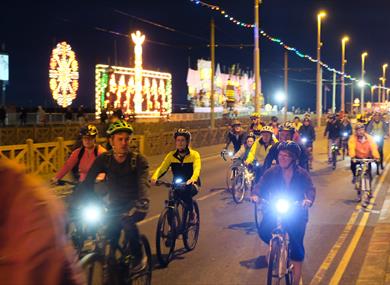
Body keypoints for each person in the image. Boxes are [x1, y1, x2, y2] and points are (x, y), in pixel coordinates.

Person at [80, 119, 150, 272]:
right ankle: (111, 266)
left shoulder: (138, 160)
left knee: (127, 224)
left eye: (127, 139)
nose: (124, 143)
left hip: (135, 204)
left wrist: (143, 201)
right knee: (109, 234)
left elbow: (143, 183)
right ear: (111, 141)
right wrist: (82, 198)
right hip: (113, 204)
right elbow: (88, 181)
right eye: (120, 139)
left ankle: (139, 257)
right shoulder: (104, 159)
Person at [0, 159, 85, 285]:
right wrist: (57, 177)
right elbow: (68, 164)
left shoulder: (33, 206)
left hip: (43, 268)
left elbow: (26, 270)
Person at [251, 141, 316, 285]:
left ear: (293, 158)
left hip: (296, 210)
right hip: (276, 207)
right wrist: (256, 195)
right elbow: (260, 184)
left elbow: (310, 188)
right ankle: (274, 247)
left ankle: (297, 279)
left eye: (286, 156)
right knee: (264, 230)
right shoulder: (272, 172)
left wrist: (308, 200)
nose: (282, 158)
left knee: (296, 246)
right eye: (280, 155)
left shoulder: (301, 173)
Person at [151, 128, 201, 217]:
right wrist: (155, 177)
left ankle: (191, 212)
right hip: (176, 184)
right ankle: (171, 227)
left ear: (187, 142)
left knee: (186, 193)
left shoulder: (194, 155)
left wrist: (193, 179)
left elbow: (197, 168)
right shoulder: (171, 155)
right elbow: (162, 168)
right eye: (178, 140)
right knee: (171, 200)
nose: (180, 143)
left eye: (183, 140)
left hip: (192, 184)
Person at [348, 123, 380, 199]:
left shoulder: (369, 138)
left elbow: (373, 147)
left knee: (369, 175)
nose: (360, 132)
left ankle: (370, 190)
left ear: (364, 130)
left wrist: (376, 157)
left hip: (367, 158)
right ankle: (358, 192)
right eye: (358, 130)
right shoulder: (353, 138)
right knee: (353, 168)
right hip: (357, 157)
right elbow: (351, 147)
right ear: (356, 131)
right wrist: (352, 156)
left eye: (361, 130)